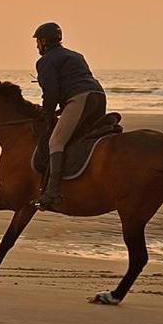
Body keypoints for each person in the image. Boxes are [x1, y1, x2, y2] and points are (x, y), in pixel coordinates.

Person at [32, 22, 107, 209]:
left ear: (44, 41)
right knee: (80, 136)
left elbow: (51, 92)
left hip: (80, 98)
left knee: (56, 142)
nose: (36, 46)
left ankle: (52, 192)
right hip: (98, 96)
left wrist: (47, 114)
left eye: (37, 42)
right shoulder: (76, 55)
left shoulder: (45, 61)